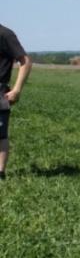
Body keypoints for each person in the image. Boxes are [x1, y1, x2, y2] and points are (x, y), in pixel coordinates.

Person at [0, 23, 31, 180]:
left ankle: (0, 173)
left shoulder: (5, 34)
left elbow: (25, 61)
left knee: (0, 135)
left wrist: (17, 89)